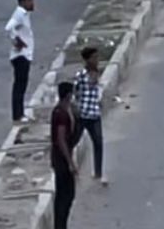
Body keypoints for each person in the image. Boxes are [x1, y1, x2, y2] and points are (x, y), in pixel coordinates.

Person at [74, 46, 107, 185]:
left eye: (97, 57)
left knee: (98, 143)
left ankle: (98, 173)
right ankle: (70, 169)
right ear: (87, 60)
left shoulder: (96, 73)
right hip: (82, 114)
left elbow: (95, 87)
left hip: (94, 114)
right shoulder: (80, 75)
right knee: (73, 141)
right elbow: (75, 92)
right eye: (94, 58)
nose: (97, 60)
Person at [5, 0, 35, 123]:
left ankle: (20, 113)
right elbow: (8, 28)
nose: (32, 3)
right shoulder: (20, 14)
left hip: (25, 55)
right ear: (22, 2)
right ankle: (18, 114)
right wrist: (17, 41)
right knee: (19, 86)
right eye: (29, 0)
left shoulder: (24, 14)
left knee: (22, 86)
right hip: (20, 56)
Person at [50, 82, 78, 229]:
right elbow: (61, 140)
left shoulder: (59, 110)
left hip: (58, 159)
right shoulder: (61, 114)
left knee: (64, 196)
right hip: (62, 161)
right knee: (65, 196)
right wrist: (70, 163)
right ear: (68, 95)